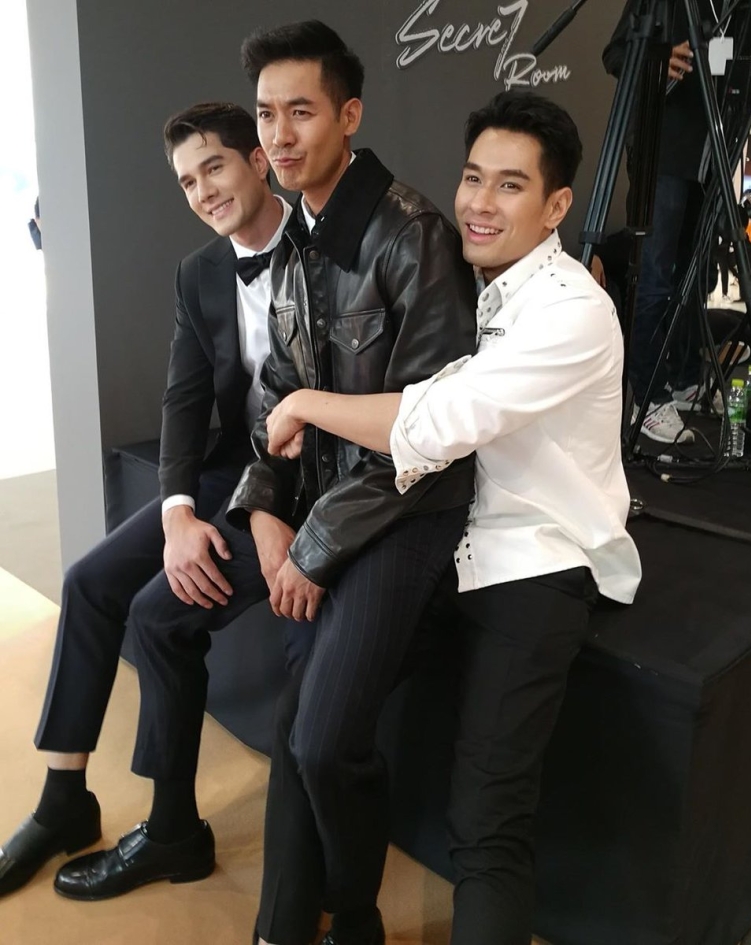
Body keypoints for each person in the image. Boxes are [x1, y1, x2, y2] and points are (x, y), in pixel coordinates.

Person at [265, 90, 643, 945]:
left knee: (485, 824)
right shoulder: (475, 286)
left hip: (536, 559)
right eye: (474, 177)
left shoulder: (572, 310)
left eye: (511, 185)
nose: (480, 202)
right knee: (309, 720)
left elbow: (436, 421)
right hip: (444, 534)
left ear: (556, 206)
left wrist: (306, 404)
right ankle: (302, 923)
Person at [0, 102, 314, 900]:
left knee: (158, 610)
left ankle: (174, 829)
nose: (203, 191)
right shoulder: (199, 271)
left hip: (309, 484)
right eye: (186, 181)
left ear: (258, 160)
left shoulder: (326, 248)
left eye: (214, 167)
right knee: (87, 581)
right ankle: (64, 800)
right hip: (229, 468)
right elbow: (183, 398)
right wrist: (177, 510)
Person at [225, 20, 478, 945]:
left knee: (323, 739)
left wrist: (317, 548)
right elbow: (278, 396)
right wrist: (262, 508)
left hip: (409, 511)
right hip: (330, 509)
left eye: (301, 111)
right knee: (299, 725)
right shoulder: (297, 234)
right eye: (267, 115)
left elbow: (424, 434)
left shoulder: (413, 234)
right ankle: (287, 928)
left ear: (350, 115)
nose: (279, 135)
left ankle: (356, 914)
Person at [604, 1, 719, 444]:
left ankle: (685, 378)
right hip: (662, 150)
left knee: (695, 276)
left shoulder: (740, 12)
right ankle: (649, 395)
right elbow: (614, 54)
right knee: (655, 276)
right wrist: (656, 58)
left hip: (710, 155)